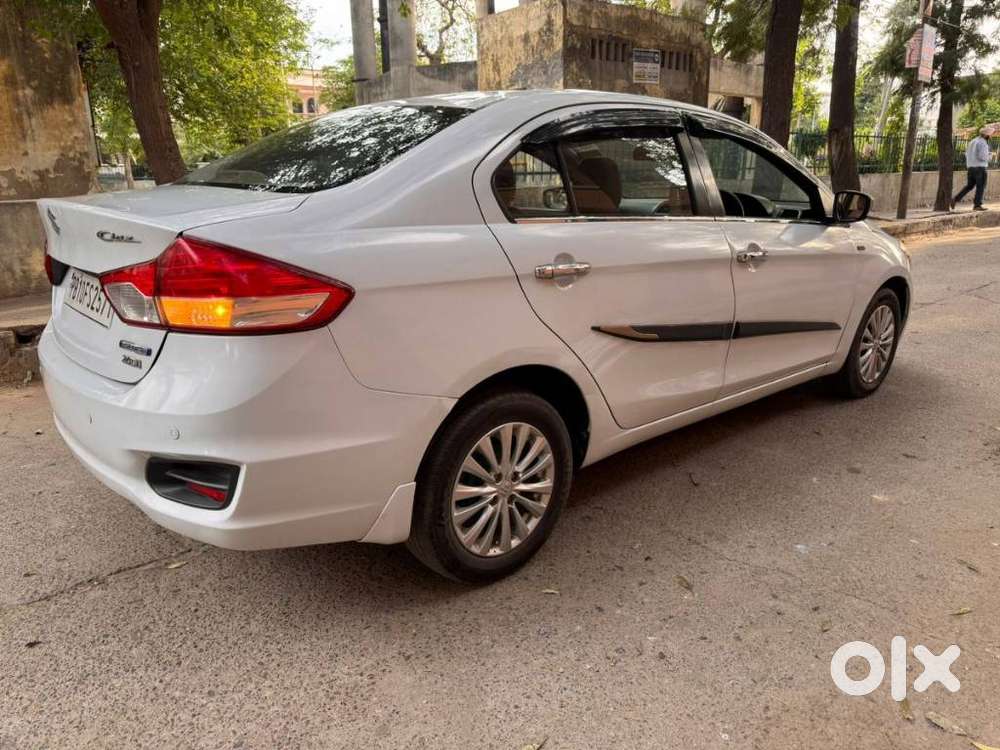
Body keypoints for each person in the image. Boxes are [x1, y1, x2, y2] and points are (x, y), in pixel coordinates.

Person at [952, 127, 993, 211]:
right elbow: (982, 156)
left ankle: (955, 199)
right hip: (980, 168)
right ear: (986, 135)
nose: (990, 136)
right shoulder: (983, 142)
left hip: (971, 167)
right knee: (981, 186)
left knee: (969, 186)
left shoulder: (972, 141)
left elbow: (967, 154)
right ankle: (977, 205)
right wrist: (990, 156)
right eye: (989, 134)